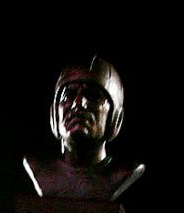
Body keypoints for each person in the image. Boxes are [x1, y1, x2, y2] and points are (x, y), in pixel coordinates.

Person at [23, 57, 145, 201]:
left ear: (114, 117)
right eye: (69, 94)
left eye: (93, 95)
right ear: (55, 113)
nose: (78, 103)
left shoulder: (122, 173)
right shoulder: (39, 169)